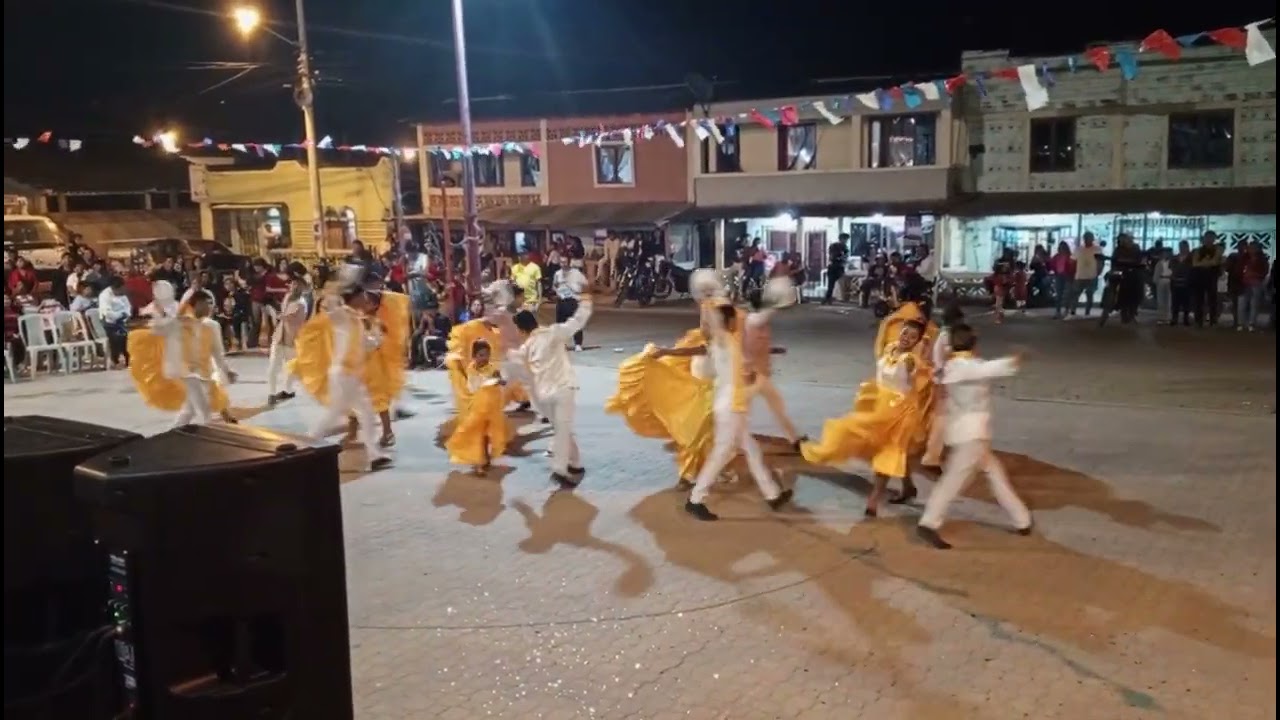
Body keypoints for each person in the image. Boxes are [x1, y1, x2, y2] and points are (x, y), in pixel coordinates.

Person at [660, 302, 791, 521]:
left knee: (751, 449)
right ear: (729, 322)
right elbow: (708, 343)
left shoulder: (725, 342)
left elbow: (728, 354)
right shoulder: (723, 339)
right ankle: (695, 499)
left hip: (731, 403)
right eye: (735, 319)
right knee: (721, 454)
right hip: (730, 405)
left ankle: (773, 495)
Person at [916, 323, 1032, 549]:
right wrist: (1016, 359)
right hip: (971, 435)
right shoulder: (965, 367)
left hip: (970, 433)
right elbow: (991, 368)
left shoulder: (954, 366)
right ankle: (929, 522)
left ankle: (1022, 519)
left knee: (995, 474)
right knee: (953, 480)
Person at [801, 319, 933, 517]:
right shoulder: (891, 348)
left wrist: (925, 353)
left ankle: (874, 500)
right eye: (905, 333)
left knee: (888, 451)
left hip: (899, 413)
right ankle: (908, 488)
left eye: (913, 337)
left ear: (917, 341)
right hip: (881, 405)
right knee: (895, 451)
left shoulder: (909, 360)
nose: (907, 338)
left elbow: (916, 371)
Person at [293, 266, 392, 472]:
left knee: (365, 413)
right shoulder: (342, 316)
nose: (366, 299)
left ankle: (374, 455)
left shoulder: (356, 319)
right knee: (335, 414)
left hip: (353, 376)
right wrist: (339, 282)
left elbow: (367, 345)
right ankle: (304, 447)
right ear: (353, 298)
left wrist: (378, 332)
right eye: (362, 295)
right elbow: (330, 303)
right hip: (342, 375)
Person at [512, 291, 594, 486]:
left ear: (522, 329)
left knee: (562, 428)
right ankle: (566, 465)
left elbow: (515, 365)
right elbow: (577, 322)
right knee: (562, 429)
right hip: (562, 390)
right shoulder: (552, 333)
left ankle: (569, 465)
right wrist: (586, 304)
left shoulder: (530, 345)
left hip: (547, 395)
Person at [128, 289, 238, 427]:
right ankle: (212, 432)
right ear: (196, 304)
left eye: (212, 303)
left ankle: (174, 434)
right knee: (204, 411)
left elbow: (217, 352)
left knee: (189, 410)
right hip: (185, 373)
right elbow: (156, 330)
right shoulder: (180, 324)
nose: (210, 307)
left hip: (203, 372)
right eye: (206, 303)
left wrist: (226, 371)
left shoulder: (213, 326)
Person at [742, 282, 803, 449]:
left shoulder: (757, 322)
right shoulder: (752, 319)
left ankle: (794, 439)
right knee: (743, 410)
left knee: (776, 406)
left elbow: (757, 344)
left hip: (760, 374)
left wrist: (773, 350)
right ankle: (733, 439)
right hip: (750, 374)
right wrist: (779, 300)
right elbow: (766, 316)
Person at [445, 339, 510, 474]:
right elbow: (473, 386)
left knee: (487, 433)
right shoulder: (471, 368)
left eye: (487, 354)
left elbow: (503, 382)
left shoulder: (493, 368)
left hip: (492, 407)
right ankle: (478, 463)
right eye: (481, 355)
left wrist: (499, 380)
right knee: (477, 433)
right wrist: (487, 381)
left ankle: (485, 457)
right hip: (478, 406)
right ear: (474, 356)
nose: (484, 358)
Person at [921, 302, 964, 468]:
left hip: (942, 379)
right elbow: (948, 359)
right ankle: (931, 456)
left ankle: (937, 450)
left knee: (943, 418)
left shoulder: (943, 334)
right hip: (944, 381)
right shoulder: (947, 337)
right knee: (941, 420)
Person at [266, 276, 309, 405]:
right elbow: (284, 316)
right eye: (293, 283)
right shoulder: (287, 297)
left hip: (292, 339)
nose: (293, 286)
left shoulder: (301, 303)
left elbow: (293, 319)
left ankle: (288, 390)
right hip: (279, 337)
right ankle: (272, 393)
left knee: (291, 368)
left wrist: (276, 315)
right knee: (273, 366)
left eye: (297, 284)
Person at [552, 259, 588, 351]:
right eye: (561, 262)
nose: (563, 264)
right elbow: (554, 285)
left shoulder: (576, 273)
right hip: (562, 300)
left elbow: (586, 284)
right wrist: (557, 291)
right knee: (560, 324)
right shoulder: (557, 274)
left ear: (569, 263)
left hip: (573, 300)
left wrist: (579, 291)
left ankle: (578, 344)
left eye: (565, 262)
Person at [98, 275, 133, 366]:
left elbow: (128, 307)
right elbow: (107, 312)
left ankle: (129, 359)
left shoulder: (123, 294)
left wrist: (125, 315)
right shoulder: (105, 295)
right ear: (114, 288)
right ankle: (115, 360)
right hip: (109, 322)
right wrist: (119, 315)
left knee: (131, 334)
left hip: (123, 320)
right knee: (116, 337)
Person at [1190, 231, 1223, 327]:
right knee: (1198, 300)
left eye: (1211, 238)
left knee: (1212, 299)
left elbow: (1215, 261)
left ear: (1214, 239)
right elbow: (1195, 263)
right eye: (1207, 237)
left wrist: (1204, 262)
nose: (1209, 240)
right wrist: (1208, 263)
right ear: (1203, 239)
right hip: (1199, 277)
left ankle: (1213, 320)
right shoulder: (1197, 250)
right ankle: (1198, 320)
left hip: (1212, 277)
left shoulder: (1218, 249)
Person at [1070, 233, 1103, 316]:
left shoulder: (1097, 249)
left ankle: (1087, 312)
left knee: (1089, 294)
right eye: (1086, 238)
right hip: (1080, 275)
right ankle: (1073, 311)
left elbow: (1100, 261)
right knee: (1076, 294)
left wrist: (1098, 271)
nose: (1087, 240)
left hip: (1091, 275)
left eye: (1089, 238)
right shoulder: (1078, 249)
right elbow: (1072, 261)